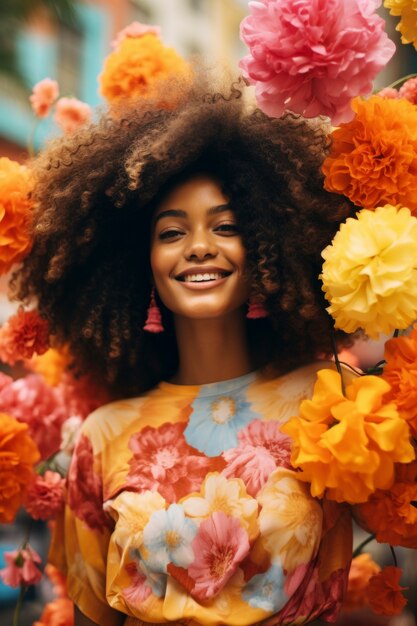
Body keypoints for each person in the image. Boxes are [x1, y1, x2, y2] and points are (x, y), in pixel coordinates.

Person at [14, 76, 355, 626]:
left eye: (225, 226)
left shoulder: (327, 400)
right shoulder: (102, 437)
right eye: (172, 232)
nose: (199, 246)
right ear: (140, 261)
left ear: (269, 244)